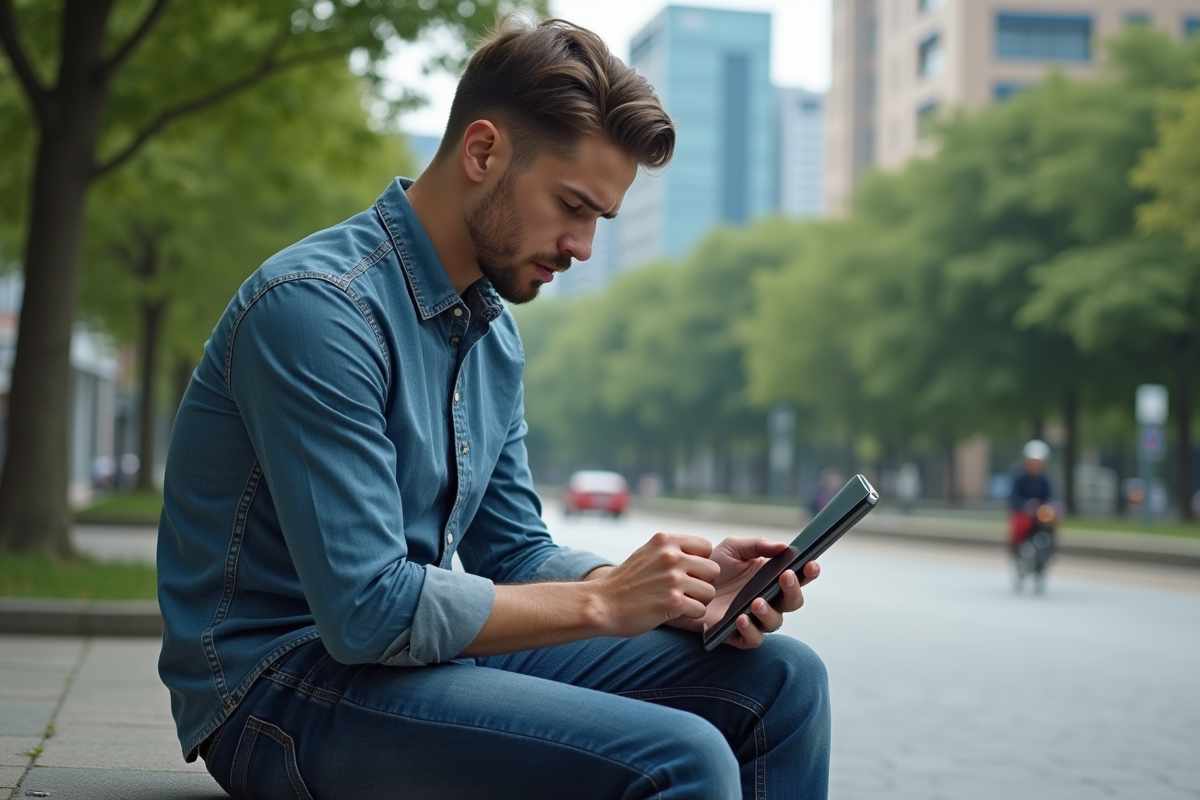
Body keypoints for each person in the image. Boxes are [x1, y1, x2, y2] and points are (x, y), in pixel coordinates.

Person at [158, 18, 830, 800]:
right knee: (679, 757)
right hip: (279, 687)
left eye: (599, 221)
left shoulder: (491, 334)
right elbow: (368, 611)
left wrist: (667, 588)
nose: (581, 246)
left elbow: (512, 552)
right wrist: (604, 603)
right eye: (571, 205)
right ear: (484, 152)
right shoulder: (317, 310)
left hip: (411, 660)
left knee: (782, 679)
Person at [1008, 439, 1053, 551]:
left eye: (1038, 463)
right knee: (1020, 523)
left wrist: (1053, 505)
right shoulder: (1019, 478)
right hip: (1024, 512)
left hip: (1040, 513)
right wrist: (1026, 505)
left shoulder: (1045, 479)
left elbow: (1051, 496)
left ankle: (1051, 547)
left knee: (1052, 521)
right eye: (1033, 462)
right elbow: (1013, 498)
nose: (1035, 466)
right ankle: (1017, 547)